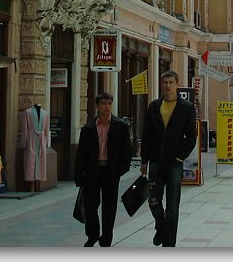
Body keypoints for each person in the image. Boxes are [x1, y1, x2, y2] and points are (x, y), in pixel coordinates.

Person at [140, 71, 197, 247]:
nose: (168, 85)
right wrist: (144, 160)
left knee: (172, 206)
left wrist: (180, 157)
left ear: (177, 84)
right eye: (165, 82)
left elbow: (191, 137)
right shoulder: (154, 106)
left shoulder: (186, 107)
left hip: (174, 162)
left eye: (171, 82)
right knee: (153, 200)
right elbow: (147, 134)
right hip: (156, 160)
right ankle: (161, 226)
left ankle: (169, 245)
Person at [74, 92, 133, 247]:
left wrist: (121, 169)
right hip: (93, 171)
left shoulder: (120, 126)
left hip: (111, 172)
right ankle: (92, 235)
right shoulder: (89, 127)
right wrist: (79, 176)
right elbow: (81, 153)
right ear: (97, 106)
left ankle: (106, 238)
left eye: (109, 103)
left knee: (109, 207)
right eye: (103, 103)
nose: (107, 107)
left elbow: (127, 150)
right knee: (90, 205)